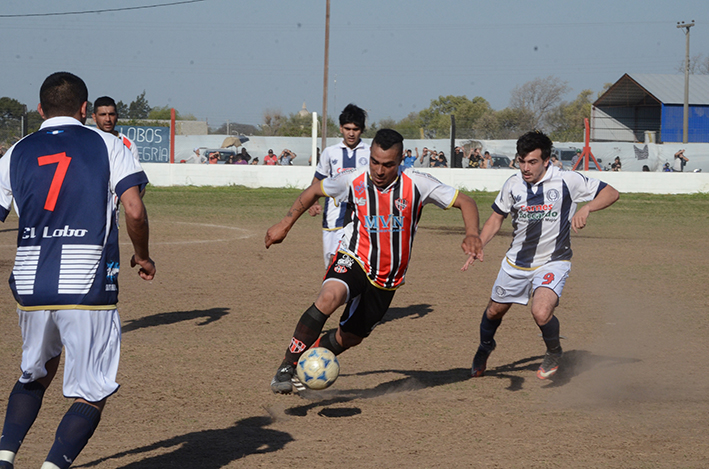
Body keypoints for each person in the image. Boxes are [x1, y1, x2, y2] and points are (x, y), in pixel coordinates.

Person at [0, 72, 155, 469]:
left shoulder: (15, 152)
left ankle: (4, 459)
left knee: (35, 373)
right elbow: (134, 209)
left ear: (39, 110)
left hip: (31, 285)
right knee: (92, 390)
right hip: (86, 285)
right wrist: (143, 254)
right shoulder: (109, 145)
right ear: (85, 109)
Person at [265, 129, 483, 394]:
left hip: (388, 277)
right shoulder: (353, 179)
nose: (380, 171)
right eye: (375, 162)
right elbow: (313, 191)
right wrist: (285, 224)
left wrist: (472, 233)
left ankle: (308, 360)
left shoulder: (417, 183)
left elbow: (466, 201)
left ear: (401, 159)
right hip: (354, 257)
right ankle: (288, 365)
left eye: (388, 164)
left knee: (350, 337)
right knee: (329, 297)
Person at [470, 131, 618, 381]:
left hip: (554, 260)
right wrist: (479, 243)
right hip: (516, 263)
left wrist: (587, 207)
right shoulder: (513, 184)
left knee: (540, 312)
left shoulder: (567, 180)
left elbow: (611, 193)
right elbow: (497, 218)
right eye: (521, 161)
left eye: (532, 162)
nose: (526, 168)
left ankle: (554, 352)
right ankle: (485, 347)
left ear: (547, 160)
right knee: (494, 311)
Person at [307, 104, 370, 267]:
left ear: (361, 130)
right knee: (331, 267)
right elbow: (318, 180)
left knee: (357, 268)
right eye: (347, 128)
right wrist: (314, 202)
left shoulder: (370, 153)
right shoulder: (330, 152)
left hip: (361, 223)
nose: (351, 133)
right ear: (341, 128)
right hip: (332, 221)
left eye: (355, 129)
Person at [91, 96, 139, 165]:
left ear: (117, 116)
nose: (108, 119)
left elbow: (134, 174)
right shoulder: (87, 141)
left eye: (111, 114)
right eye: (103, 115)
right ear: (94, 117)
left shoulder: (129, 146)